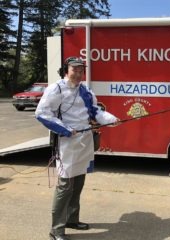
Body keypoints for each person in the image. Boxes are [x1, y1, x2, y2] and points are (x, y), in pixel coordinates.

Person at [35, 56, 120, 240]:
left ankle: (72, 219)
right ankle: (56, 230)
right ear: (67, 69)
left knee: (79, 182)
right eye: (75, 69)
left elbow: (95, 111)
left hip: (84, 141)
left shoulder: (86, 90)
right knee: (65, 186)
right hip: (67, 143)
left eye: (82, 69)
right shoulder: (56, 89)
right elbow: (41, 113)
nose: (79, 73)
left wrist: (111, 119)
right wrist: (65, 129)